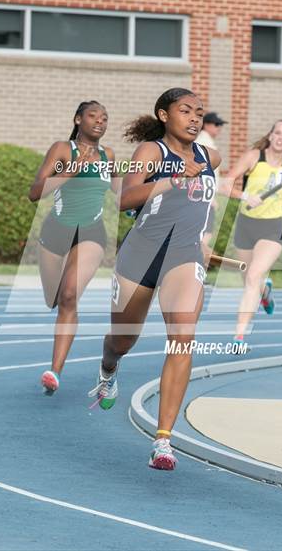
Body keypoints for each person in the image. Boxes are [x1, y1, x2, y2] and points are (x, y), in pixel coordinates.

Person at [88, 87, 220, 470]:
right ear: (164, 115)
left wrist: (205, 238)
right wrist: (176, 177)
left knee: (183, 337)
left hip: (184, 255)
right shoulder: (150, 152)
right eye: (185, 111)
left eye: (199, 112)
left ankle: (164, 439)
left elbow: (205, 203)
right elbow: (126, 199)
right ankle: (109, 365)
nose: (195, 118)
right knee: (123, 339)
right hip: (143, 253)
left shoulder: (211, 156)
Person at [28, 101, 116, 395]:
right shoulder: (63, 150)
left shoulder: (108, 155)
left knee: (68, 297)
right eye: (93, 115)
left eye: (104, 118)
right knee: (52, 298)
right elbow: (35, 192)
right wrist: (69, 172)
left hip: (91, 232)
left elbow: (123, 194)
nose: (99, 121)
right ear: (78, 119)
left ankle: (55, 371)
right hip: (56, 231)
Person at [222, 119, 282, 345]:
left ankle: (239, 336)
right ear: (270, 136)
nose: (281, 137)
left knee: (253, 275)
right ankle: (264, 292)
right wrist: (244, 196)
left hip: (272, 227)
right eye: (277, 133)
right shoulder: (253, 157)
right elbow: (225, 184)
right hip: (245, 225)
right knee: (250, 280)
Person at [195, 112, 227, 253]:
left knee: (204, 233)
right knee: (205, 233)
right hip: (203, 195)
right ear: (206, 125)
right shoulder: (204, 142)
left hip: (203, 194)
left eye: (220, 124)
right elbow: (200, 171)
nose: (219, 127)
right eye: (216, 124)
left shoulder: (205, 141)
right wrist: (210, 196)